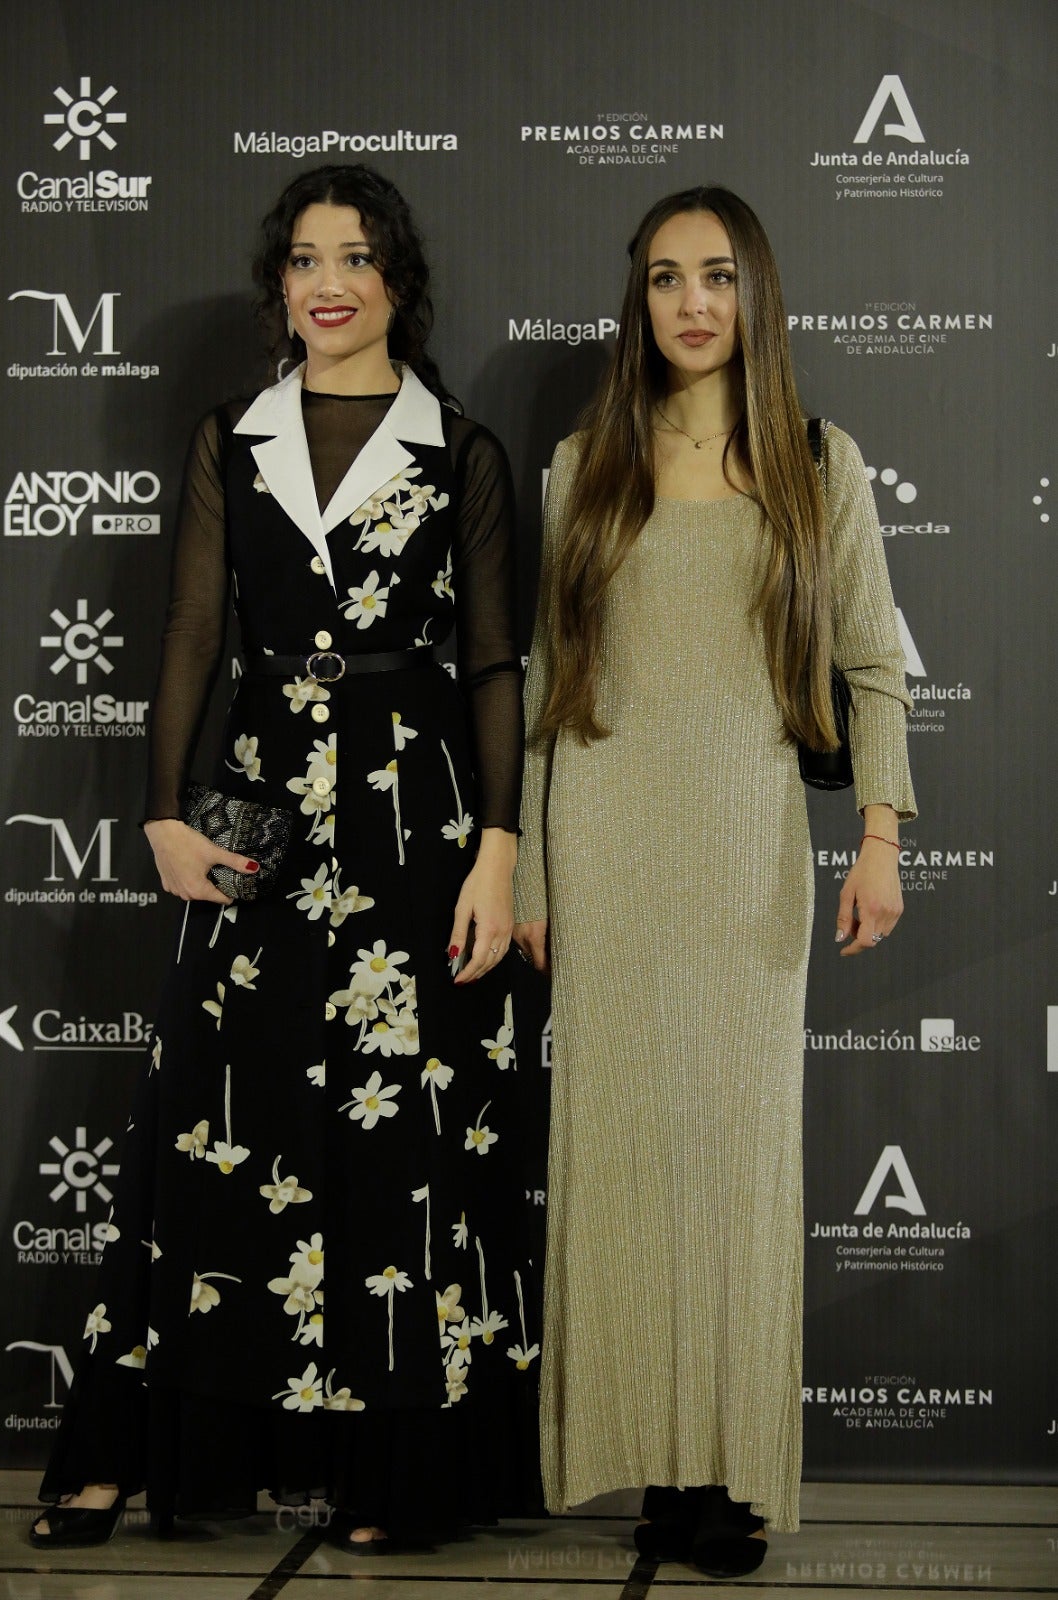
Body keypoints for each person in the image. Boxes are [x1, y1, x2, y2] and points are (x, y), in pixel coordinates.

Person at [32, 163, 538, 1551]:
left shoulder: (463, 453)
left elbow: (491, 664)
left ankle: (398, 1471)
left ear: (396, 283)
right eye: (306, 257)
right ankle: (129, 1450)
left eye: (357, 257)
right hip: (257, 798)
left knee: (396, 1140)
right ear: (279, 285)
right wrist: (161, 814)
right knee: (211, 1122)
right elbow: (193, 636)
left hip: (412, 809)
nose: (329, 282)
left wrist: (499, 848)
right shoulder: (230, 439)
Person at [513, 185, 915, 1579]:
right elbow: (546, 698)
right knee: (622, 1171)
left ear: (756, 297)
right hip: (607, 849)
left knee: (737, 1173)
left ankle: (728, 1471)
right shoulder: (580, 470)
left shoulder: (817, 460)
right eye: (669, 278)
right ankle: (651, 1466)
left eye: (720, 277)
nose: (693, 302)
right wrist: (532, 867)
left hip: (747, 850)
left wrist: (880, 835)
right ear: (638, 301)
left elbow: (871, 663)